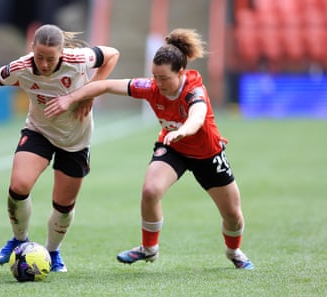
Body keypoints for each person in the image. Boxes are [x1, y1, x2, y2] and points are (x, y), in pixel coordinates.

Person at [45, 28, 254, 269]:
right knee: (151, 191)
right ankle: (148, 249)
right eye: (155, 77)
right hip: (173, 148)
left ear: (181, 73)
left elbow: (197, 117)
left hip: (207, 154)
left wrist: (182, 131)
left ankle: (234, 251)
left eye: (164, 78)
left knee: (232, 215)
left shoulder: (194, 91)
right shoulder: (152, 87)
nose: (158, 83)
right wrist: (73, 98)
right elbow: (106, 86)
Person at [0, 24, 119, 272]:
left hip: (75, 140)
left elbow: (112, 54)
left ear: (62, 52)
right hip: (39, 131)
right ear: (32, 49)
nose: (43, 64)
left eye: (50, 58)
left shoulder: (79, 59)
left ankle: (53, 253)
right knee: (18, 187)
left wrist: (88, 92)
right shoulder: (21, 67)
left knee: (63, 206)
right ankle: (19, 240)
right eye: (39, 56)